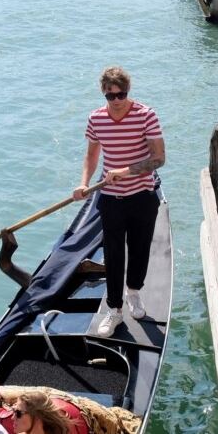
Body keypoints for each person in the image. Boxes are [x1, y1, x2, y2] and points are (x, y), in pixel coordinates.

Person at [74, 66, 164, 338]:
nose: (116, 100)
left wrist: (124, 172)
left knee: (139, 249)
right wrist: (84, 183)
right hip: (111, 198)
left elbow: (159, 159)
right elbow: (91, 156)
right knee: (113, 255)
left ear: (128, 91)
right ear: (103, 93)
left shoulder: (146, 115)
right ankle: (114, 310)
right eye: (110, 96)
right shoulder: (96, 119)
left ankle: (134, 291)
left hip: (142, 196)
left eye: (121, 94)